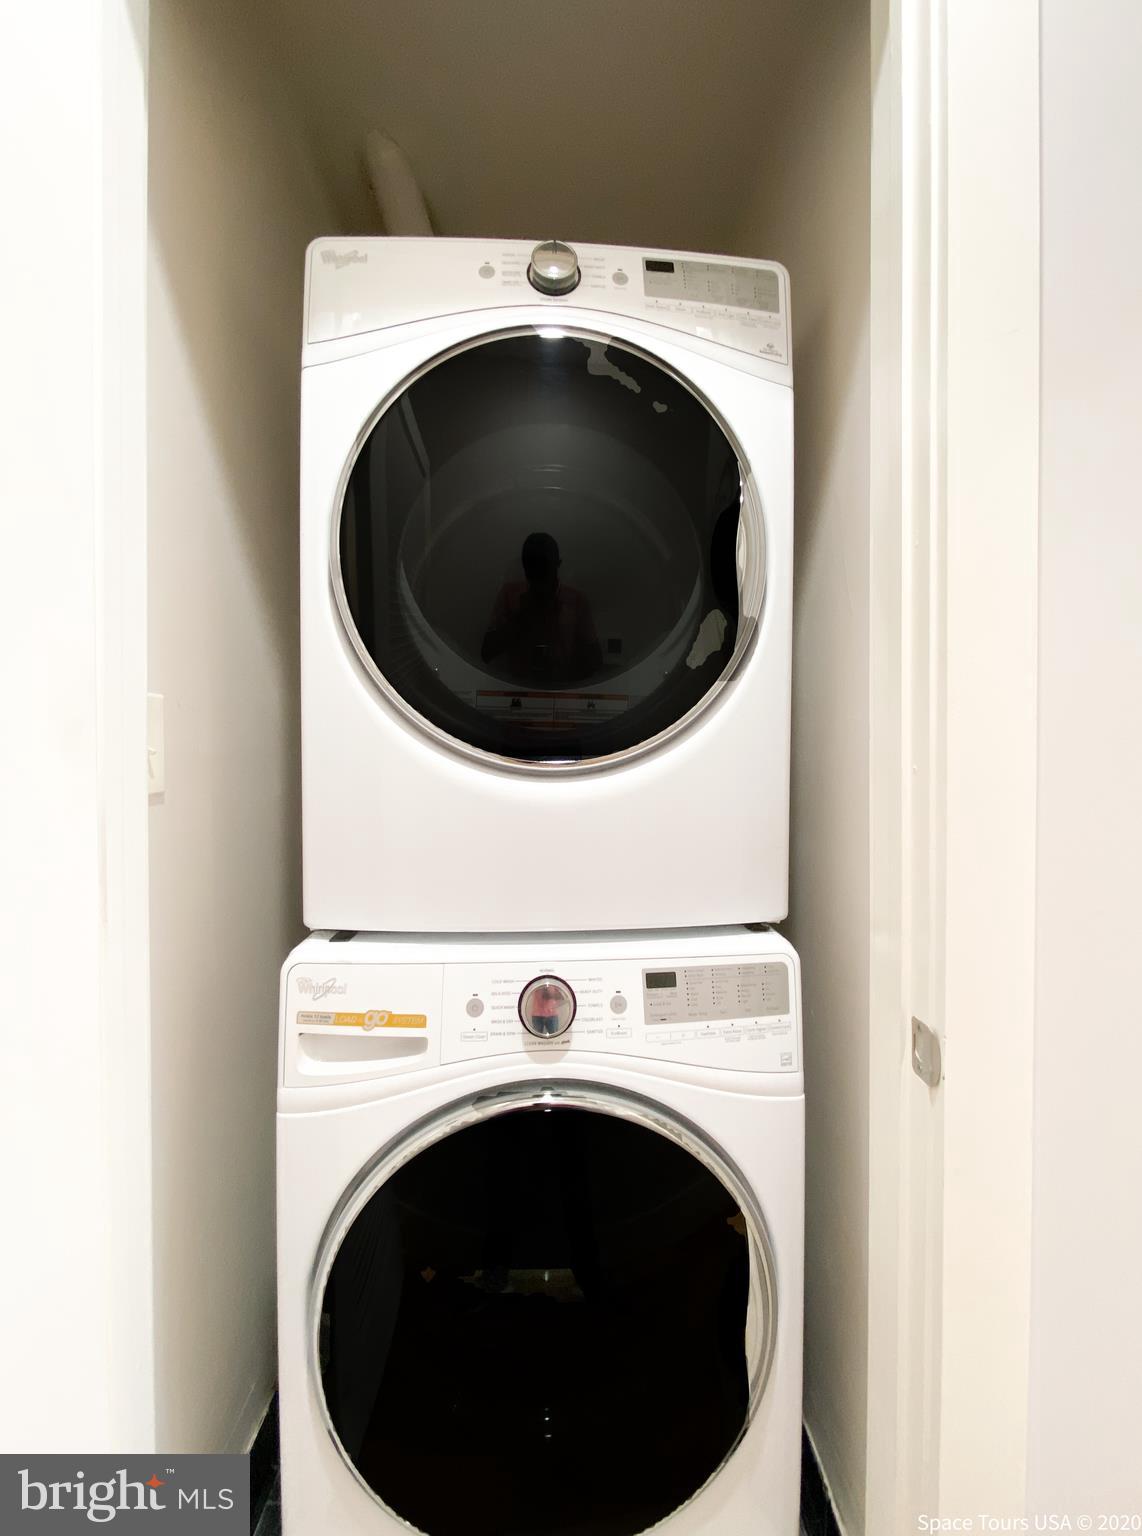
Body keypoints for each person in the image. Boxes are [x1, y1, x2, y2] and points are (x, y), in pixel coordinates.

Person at [481, 532, 603, 686]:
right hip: (521, 688)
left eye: (544, 573)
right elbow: (487, 652)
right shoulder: (510, 594)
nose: (539, 583)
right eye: (534, 573)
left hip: (553, 688)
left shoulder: (576, 601)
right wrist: (522, 618)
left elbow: (595, 660)